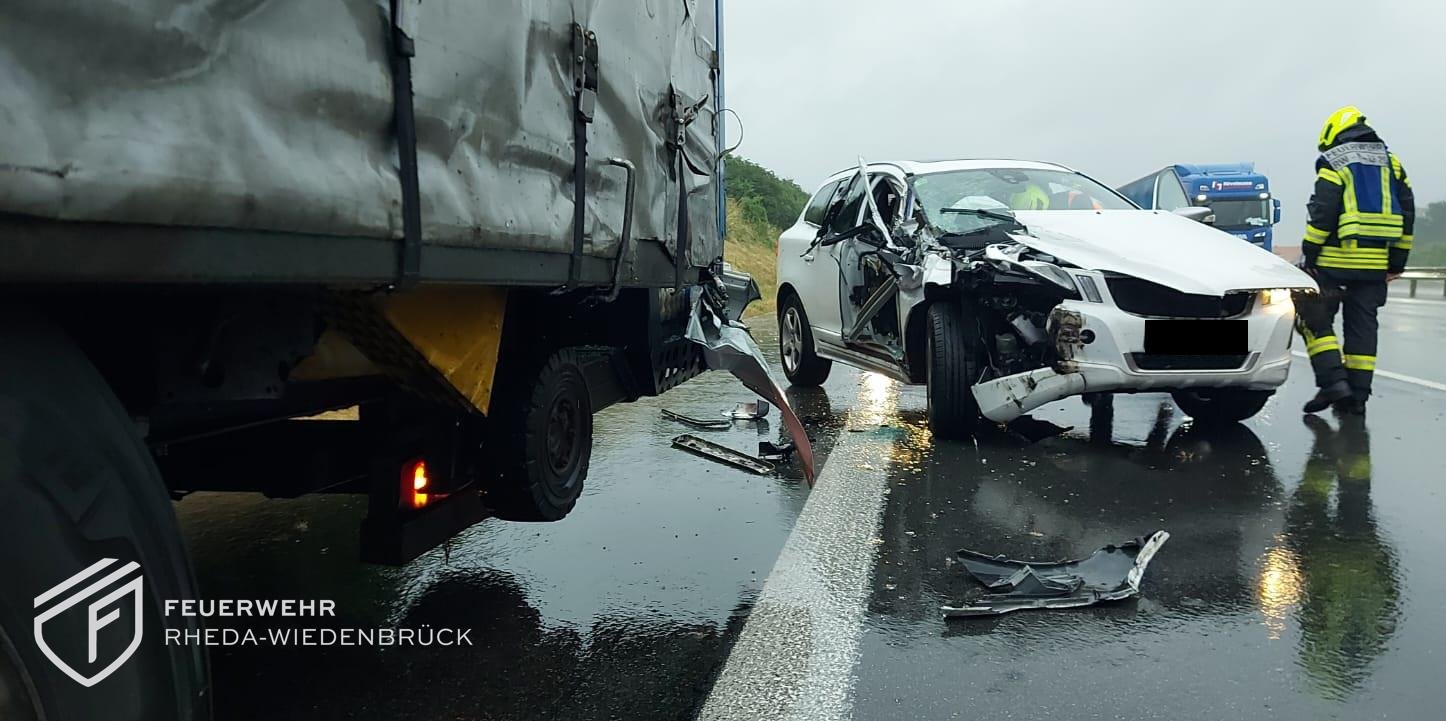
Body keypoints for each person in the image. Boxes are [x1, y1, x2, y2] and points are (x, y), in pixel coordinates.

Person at [1294, 106, 1415, 415]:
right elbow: (1407, 212)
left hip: (1333, 262)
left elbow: (1323, 210)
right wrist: (1397, 262)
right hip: (1375, 265)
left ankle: (1333, 382)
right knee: (1363, 328)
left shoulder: (1334, 160)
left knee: (1310, 314)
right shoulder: (1392, 163)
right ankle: (1357, 397)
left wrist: (1310, 253)